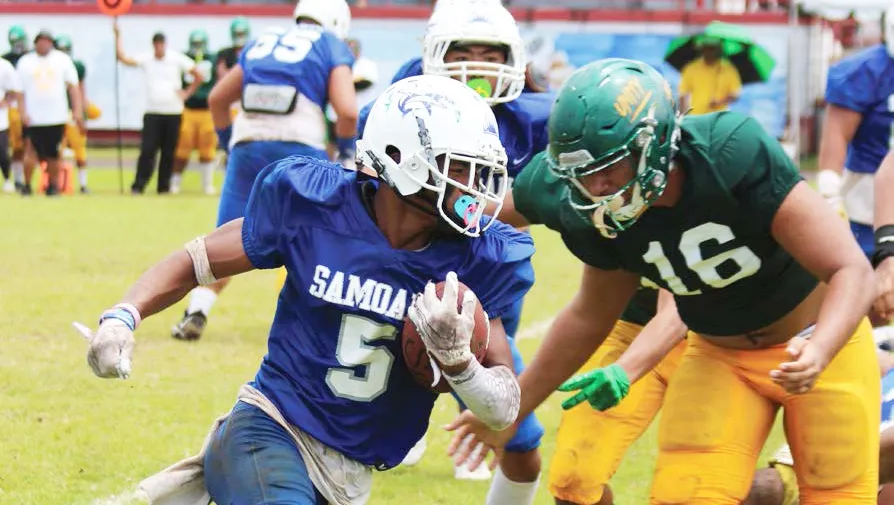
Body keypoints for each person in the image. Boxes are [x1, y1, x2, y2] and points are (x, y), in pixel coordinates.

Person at [80, 74, 531, 505]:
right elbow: (197, 260)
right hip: (271, 427)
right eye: (462, 168)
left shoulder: (472, 257)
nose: (474, 187)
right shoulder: (315, 205)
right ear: (404, 158)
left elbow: (503, 407)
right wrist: (123, 315)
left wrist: (460, 364)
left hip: (349, 471)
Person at [448, 58, 880, 505]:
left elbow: (850, 269)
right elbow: (589, 316)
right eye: (580, 173)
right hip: (721, 353)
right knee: (683, 495)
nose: (595, 187)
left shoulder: (731, 152)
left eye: (609, 168)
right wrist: (514, 412)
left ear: (653, 145)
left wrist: (822, 346)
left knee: (838, 493)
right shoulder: (574, 196)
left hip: (819, 344)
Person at [358, 3, 550, 500]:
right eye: (465, 51)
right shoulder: (408, 102)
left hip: (493, 275)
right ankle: (412, 419)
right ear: (435, 55)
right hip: (413, 271)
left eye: (492, 53)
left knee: (520, 436)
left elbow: (551, 198)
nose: (479, 65)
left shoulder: (536, 119)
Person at [172, 0, 357, 341]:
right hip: (302, 149)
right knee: (320, 240)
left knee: (226, 235)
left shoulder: (262, 40)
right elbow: (346, 110)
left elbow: (216, 99)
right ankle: (314, 325)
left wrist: (229, 141)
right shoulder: (330, 45)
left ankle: (196, 309)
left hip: (248, 145)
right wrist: (346, 152)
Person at [814, 6, 894, 331]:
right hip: (866, 201)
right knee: (865, 302)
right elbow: (836, 138)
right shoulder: (866, 70)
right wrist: (830, 196)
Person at [114, 24, 200, 194]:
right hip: (153, 111)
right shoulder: (147, 59)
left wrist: (187, 93)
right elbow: (123, 58)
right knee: (148, 150)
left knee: (169, 151)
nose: (159, 47)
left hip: (173, 111)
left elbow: (198, 73)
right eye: (156, 44)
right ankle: (139, 184)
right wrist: (118, 36)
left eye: (161, 44)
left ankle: (163, 186)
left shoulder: (176, 58)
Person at [15, 30, 84, 196]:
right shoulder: (26, 62)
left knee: (54, 154)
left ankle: (53, 186)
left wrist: (77, 110)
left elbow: (74, 87)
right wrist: (22, 112)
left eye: (47, 41)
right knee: (30, 151)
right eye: (41, 41)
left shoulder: (62, 60)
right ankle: (26, 184)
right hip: (34, 117)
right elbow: (19, 91)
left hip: (56, 116)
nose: (44, 44)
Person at [171, 29, 217, 195]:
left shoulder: (213, 58)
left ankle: (207, 184)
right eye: (195, 44)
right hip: (188, 109)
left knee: (207, 147)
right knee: (182, 147)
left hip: (206, 110)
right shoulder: (183, 58)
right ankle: (175, 183)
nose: (198, 47)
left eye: (200, 44)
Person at [54, 35, 90, 194]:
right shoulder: (50, 66)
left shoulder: (76, 66)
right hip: (56, 114)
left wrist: (81, 114)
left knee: (79, 149)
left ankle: (83, 184)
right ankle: (55, 184)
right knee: (56, 151)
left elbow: (81, 90)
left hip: (72, 113)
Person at [678, 35, 742, 115]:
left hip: (720, 117)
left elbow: (735, 94)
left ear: (719, 50)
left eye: (712, 48)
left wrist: (720, 101)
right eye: (706, 48)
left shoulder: (728, 69)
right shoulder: (691, 68)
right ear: (702, 49)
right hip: (696, 117)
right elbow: (683, 94)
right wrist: (682, 115)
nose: (709, 52)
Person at [3, 25, 27, 192]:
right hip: (8, 110)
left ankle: (19, 179)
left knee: (20, 146)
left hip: (24, 108)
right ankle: (11, 179)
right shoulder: (5, 60)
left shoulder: (30, 59)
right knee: (5, 145)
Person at [0, 48, 19, 193]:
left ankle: (7, 179)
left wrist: (5, 102)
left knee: (2, 151)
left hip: (1, 118)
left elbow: (15, 90)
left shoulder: (4, 66)